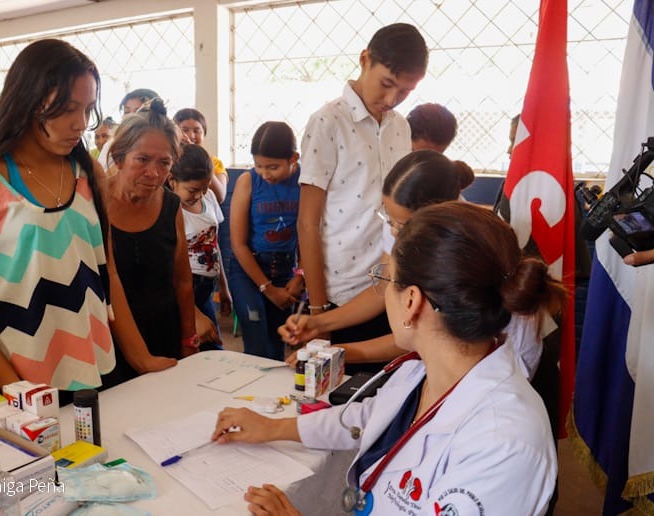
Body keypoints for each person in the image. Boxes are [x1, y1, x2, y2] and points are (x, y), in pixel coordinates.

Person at [213, 202, 566, 515]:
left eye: (386, 279)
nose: (383, 293)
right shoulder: (418, 373)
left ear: (411, 301)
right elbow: (369, 417)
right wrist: (273, 427)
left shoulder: (502, 443)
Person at [0, 39, 169, 403]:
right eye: (67, 108)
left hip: (97, 368)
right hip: (19, 378)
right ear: (27, 101)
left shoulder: (87, 174)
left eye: (88, 109)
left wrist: (140, 358)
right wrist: (12, 384)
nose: (80, 123)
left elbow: (108, 274)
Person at [281, 150, 547, 380]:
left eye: (402, 225)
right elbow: (383, 288)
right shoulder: (410, 227)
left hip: (495, 373)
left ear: (441, 210)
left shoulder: (461, 253)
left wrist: (343, 351)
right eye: (389, 219)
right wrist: (320, 323)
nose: (394, 233)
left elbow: (426, 334)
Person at [298, 23, 427, 349]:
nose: (391, 99)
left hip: (392, 285)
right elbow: (308, 222)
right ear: (364, 59)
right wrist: (318, 310)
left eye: (405, 92)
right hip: (341, 293)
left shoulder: (401, 126)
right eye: (386, 84)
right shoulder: (328, 121)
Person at [102, 98, 197, 387]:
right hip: (110, 341)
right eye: (142, 160)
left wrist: (189, 340)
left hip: (162, 333)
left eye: (164, 163)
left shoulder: (170, 205)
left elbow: (182, 281)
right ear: (119, 158)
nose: (153, 173)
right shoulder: (94, 201)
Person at [228, 121, 303, 361]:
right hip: (249, 269)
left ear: (294, 158)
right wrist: (268, 289)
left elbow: (313, 233)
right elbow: (238, 243)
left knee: (277, 343)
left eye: (273, 167)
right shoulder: (248, 182)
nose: (265, 174)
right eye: (258, 165)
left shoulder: (305, 182)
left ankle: (272, 399)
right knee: (256, 341)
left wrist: (301, 276)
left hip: (286, 269)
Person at [167, 143, 230, 349]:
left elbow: (214, 244)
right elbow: (171, 267)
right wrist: (193, 311)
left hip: (208, 285)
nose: (199, 195)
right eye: (193, 189)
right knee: (200, 345)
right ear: (172, 181)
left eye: (204, 188)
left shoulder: (209, 198)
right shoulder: (170, 210)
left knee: (211, 345)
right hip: (186, 287)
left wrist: (224, 288)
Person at [173, 108, 228, 202]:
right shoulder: (170, 160)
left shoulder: (215, 162)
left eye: (196, 131)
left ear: (204, 134)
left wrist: (197, 154)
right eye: (185, 130)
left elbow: (220, 197)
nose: (191, 136)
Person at [97, 88, 160, 170]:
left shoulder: (165, 144)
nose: (131, 117)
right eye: (127, 112)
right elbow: (101, 178)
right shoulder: (113, 145)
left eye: (139, 112)